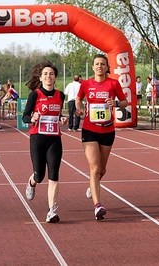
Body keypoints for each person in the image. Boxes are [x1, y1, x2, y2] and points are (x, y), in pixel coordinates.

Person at [75, 54, 128, 221]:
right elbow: (78, 99)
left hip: (107, 130)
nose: (99, 66)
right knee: (95, 169)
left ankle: (93, 185)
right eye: (97, 64)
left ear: (106, 67)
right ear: (93, 67)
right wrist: (79, 109)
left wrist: (116, 104)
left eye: (102, 64)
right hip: (90, 129)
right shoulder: (86, 84)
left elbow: (125, 101)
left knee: (102, 170)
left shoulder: (113, 83)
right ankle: (97, 206)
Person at [23, 61, 68, 223]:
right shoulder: (35, 95)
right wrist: (32, 118)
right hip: (38, 138)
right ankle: (31, 182)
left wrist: (62, 118)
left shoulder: (60, 95)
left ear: (55, 78)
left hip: (54, 139)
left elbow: (58, 114)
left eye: (51, 74)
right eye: (45, 74)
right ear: (41, 78)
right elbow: (24, 117)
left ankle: (52, 211)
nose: (48, 76)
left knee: (54, 174)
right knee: (40, 175)